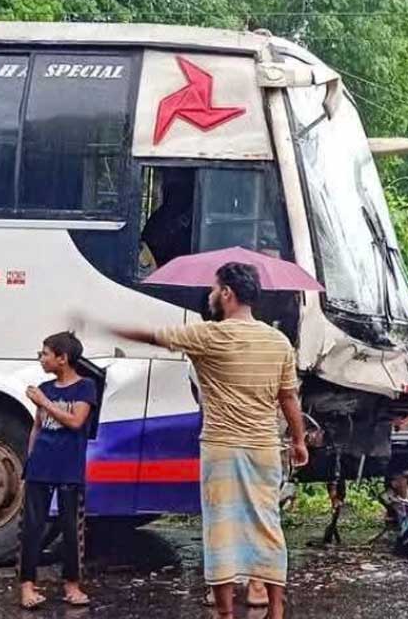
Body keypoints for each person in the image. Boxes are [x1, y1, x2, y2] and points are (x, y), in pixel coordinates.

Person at [95, 262, 308, 619]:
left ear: (227, 293)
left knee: (220, 529)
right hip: (264, 448)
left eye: (213, 288)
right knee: (267, 524)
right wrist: (299, 440)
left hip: (221, 447)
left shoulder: (209, 336)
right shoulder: (278, 342)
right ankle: (275, 609)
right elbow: (289, 398)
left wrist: (108, 327)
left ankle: (224, 613)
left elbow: (153, 336)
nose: (211, 294)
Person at [19, 331, 97, 610]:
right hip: (40, 466)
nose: (41, 359)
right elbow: (37, 428)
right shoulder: (45, 387)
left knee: (70, 527)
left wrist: (44, 402)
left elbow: (76, 422)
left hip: (69, 468)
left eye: (45, 354)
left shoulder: (85, 387)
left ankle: (72, 584)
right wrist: (29, 462)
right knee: (32, 527)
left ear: (62, 358)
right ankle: (27, 585)